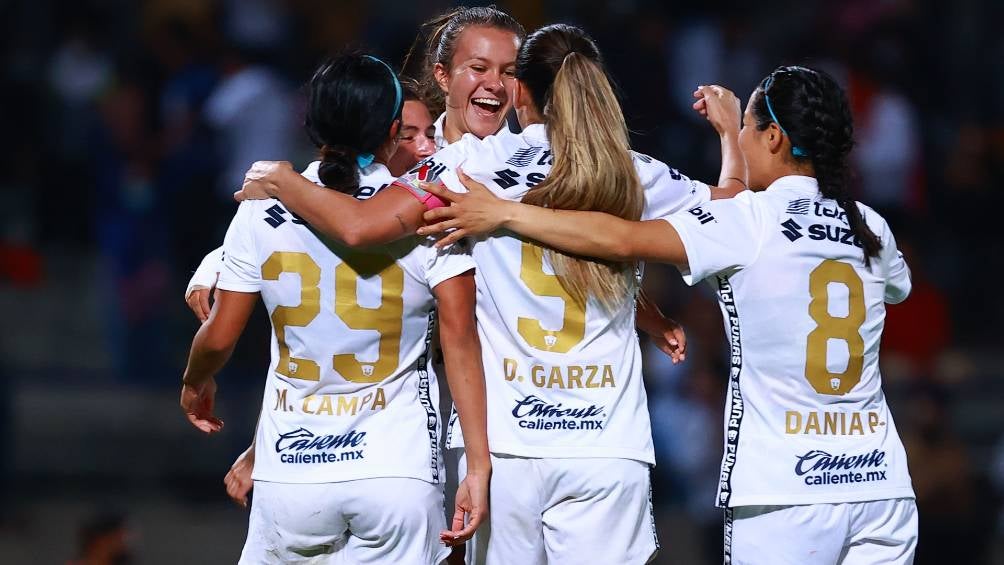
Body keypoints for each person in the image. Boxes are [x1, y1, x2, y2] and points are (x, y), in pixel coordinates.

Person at [237, 23, 745, 564]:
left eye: (507, 73)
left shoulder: (462, 168)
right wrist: (729, 133)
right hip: (605, 443)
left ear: (521, 91)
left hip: (503, 447)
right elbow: (730, 207)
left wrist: (280, 185)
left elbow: (360, 226)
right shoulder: (630, 171)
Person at [419, 65, 918, 564]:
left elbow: (618, 238)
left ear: (773, 137)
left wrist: (505, 213)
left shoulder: (748, 221)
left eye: (746, 126)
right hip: (883, 486)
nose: (740, 137)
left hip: (786, 489)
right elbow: (896, 288)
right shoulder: (872, 226)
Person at [179, 52, 490, 564]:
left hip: (292, 475)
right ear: (393, 129)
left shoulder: (261, 206)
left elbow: (219, 336)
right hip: (396, 472)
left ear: (309, 123)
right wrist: (477, 466)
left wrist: (195, 382)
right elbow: (460, 339)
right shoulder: (423, 206)